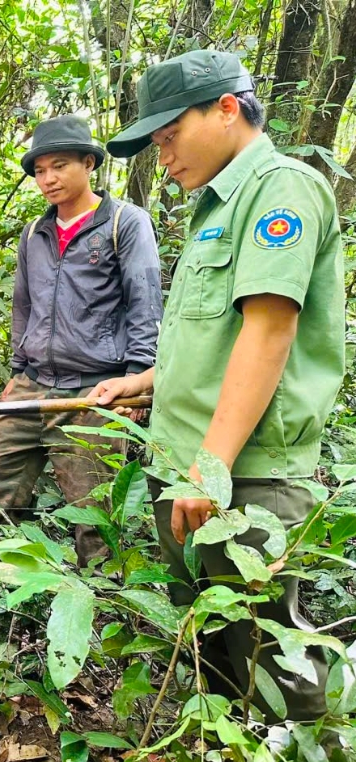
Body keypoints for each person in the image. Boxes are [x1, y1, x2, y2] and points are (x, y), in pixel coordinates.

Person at [93, 49, 344, 720]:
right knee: (211, 656)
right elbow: (216, 338)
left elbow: (267, 332)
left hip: (241, 476)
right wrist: (147, 381)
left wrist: (211, 468)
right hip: (187, 467)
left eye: (170, 135)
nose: (163, 154)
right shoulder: (213, 206)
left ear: (226, 109)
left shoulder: (280, 189)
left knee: (273, 663)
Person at [0, 115, 163, 564]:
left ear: (88, 163)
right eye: (39, 170)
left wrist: (139, 379)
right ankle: (2, 596)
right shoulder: (34, 233)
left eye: (59, 165)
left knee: (95, 516)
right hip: (32, 386)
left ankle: (100, 612)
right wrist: (18, 370)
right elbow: (24, 306)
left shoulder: (125, 223)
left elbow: (145, 303)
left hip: (95, 391)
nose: (48, 179)